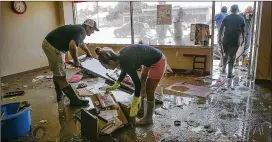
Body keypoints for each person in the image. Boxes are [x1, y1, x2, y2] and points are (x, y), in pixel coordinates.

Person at [95, 44, 166, 125]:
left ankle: (149, 118)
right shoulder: (120, 57)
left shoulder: (125, 61)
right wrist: (116, 84)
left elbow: (137, 83)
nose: (106, 68)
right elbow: (124, 70)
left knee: (149, 90)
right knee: (143, 82)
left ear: (111, 62)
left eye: (105, 66)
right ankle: (142, 108)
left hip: (158, 61)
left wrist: (134, 103)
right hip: (148, 60)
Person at [42, 19, 99, 106]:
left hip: (51, 44)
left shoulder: (79, 29)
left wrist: (88, 53)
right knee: (61, 75)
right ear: (88, 26)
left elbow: (81, 43)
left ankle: (60, 94)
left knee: (58, 71)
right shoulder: (82, 31)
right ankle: (74, 100)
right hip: (54, 46)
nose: (93, 32)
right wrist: (76, 61)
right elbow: (72, 46)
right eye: (92, 29)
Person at [219, 4, 245, 78]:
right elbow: (243, 30)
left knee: (225, 54)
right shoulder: (241, 18)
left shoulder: (226, 18)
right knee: (232, 56)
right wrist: (243, 39)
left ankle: (223, 69)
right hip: (235, 39)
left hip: (226, 39)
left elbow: (221, 29)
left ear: (230, 10)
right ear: (237, 10)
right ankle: (229, 73)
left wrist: (219, 38)